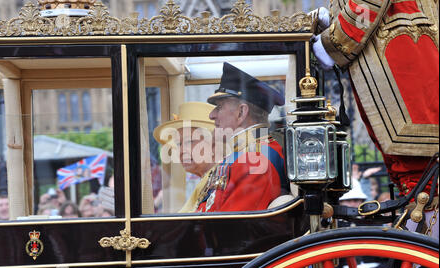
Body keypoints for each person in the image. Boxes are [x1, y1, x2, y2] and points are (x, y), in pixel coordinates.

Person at [311, 1, 438, 236]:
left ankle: (425, 261)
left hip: (400, 47)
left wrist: (332, 43)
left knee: (422, 177)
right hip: (407, 43)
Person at [195, 62, 288, 212]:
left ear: (241, 112)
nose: (211, 115)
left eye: (219, 107)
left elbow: (234, 228)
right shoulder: (249, 154)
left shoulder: (255, 159)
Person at [153, 101, 217, 212]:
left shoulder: (222, 182)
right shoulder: (205, 184)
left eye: (190, 141)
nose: (182, 151)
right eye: (178, 144)